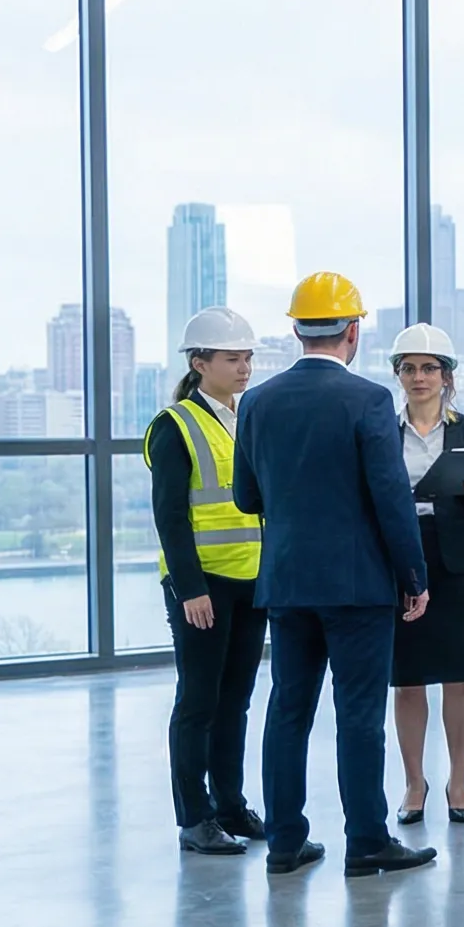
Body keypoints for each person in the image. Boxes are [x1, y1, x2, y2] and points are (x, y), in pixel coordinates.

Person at [232, 273, 438, 880]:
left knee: (287, 710)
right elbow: (391, 498)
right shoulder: (368, 400)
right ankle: (367, 841)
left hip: (287, 582)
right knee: (358, 716)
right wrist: (414, 575)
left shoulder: (257, 402)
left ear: (297, 330)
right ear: (353, 331)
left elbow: (246, 497)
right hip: (358, 586)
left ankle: (284, 842)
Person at [148, 307, 271, 856]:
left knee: (235, 700)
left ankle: (230, 806)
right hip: (203, 585)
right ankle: (194, 818)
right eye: (232, 359)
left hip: (252, 578)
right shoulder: (174, 425)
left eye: (247, 358)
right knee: (198, 700)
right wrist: (190, 588)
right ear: (199, 364)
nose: (244, 368)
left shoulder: (248, 418)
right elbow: (171, 516)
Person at [385, 323, 464, 827]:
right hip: (402, 559)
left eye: (429, 368)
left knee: (459, 674)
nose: (419, 377)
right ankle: (415, 783)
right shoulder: (382, 429)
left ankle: (458, 780)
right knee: (407, 679)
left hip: (458, 561)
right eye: (409, 368)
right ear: (398, 375)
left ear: (447, 376)